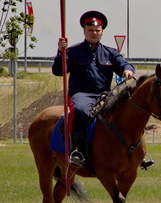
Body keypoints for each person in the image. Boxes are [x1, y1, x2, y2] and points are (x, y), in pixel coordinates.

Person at [53, 10, 136, 167]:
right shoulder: (72, 51)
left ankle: (136, 152)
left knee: (128, 111)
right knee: (81, 111)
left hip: (105, 95)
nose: (94, 33)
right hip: (81, 95)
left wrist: (128, 70)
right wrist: (60, 51)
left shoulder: (111, 53)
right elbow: (58, 71)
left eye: (97, 30)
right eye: (90, 30)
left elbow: (124, 63)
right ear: (84, 30)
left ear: (102, 31)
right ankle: (76, 151)